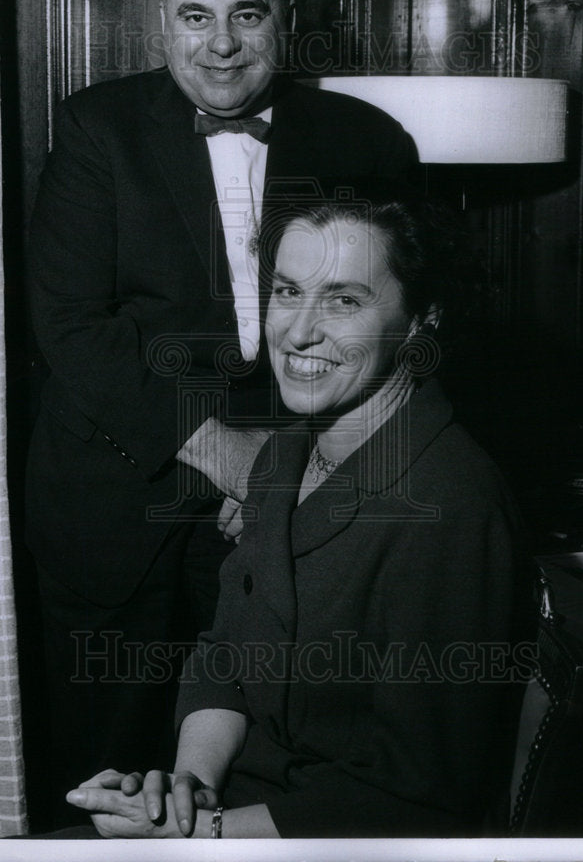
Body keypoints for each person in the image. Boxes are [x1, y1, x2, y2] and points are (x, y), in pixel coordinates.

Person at [25, 0, 417, 825]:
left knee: (253, 751)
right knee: (107, 778)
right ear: (160, 16)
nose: (221, 45)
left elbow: (378, 330)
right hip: (112, 499)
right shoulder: (95, 127)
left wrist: (285, 470)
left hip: (282, 502)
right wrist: (222, 450)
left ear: (287, 15)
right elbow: (70, 328)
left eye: (247, 14)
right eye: (195, 17)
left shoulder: (365, 138)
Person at [62, 181, 534, 838]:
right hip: (240, 806)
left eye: (343, 300)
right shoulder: (286, 454)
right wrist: (185, 790)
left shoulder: (451, 506)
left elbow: (418, 800)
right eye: (286, 291)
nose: (298, 331)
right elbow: (225, 657)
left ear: (422, 319)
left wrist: (203, 835)